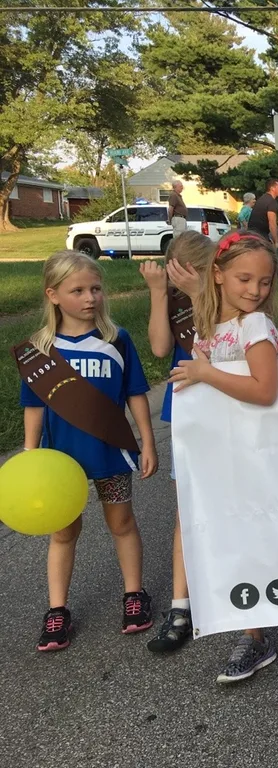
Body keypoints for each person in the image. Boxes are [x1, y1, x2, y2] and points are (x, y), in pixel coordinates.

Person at [169, 232, 278, 710]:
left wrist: (204, 374)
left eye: (264, 281)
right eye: (244, 279)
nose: (255, 290)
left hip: (265, 460)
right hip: (227, 460)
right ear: (217, 275)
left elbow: (264, 389)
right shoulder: (209, 327)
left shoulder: (255, 324)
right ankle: (254, 635)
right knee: (241, 543)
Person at [19, 251, 157, 652]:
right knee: (63, 533)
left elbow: (135, 393)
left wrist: (147, 441)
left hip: (110, 455)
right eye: (77, 290)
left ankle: (134, 594)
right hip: (61, 463)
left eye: (95, 288)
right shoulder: (40, 349)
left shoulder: (116, 339)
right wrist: (30, 453)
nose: (90, 297)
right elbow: (33, 406)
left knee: (122, 523)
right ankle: (57, 609)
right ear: (53, 294)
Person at [139, 231, 216, 653]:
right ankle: (180, 606)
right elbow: (159, 347)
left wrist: (203, 292)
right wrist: (158, 294)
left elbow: (221, 337)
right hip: (185, 409)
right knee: (186, 511)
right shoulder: (170, 300)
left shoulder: (223, 294)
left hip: (225, 404)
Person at [248, 179, 278, 246]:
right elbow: (272, 224)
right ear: (272, 188)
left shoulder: (262, 198)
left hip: (251, 234)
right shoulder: (272, 202)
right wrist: (277, 242)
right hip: (260, 236)